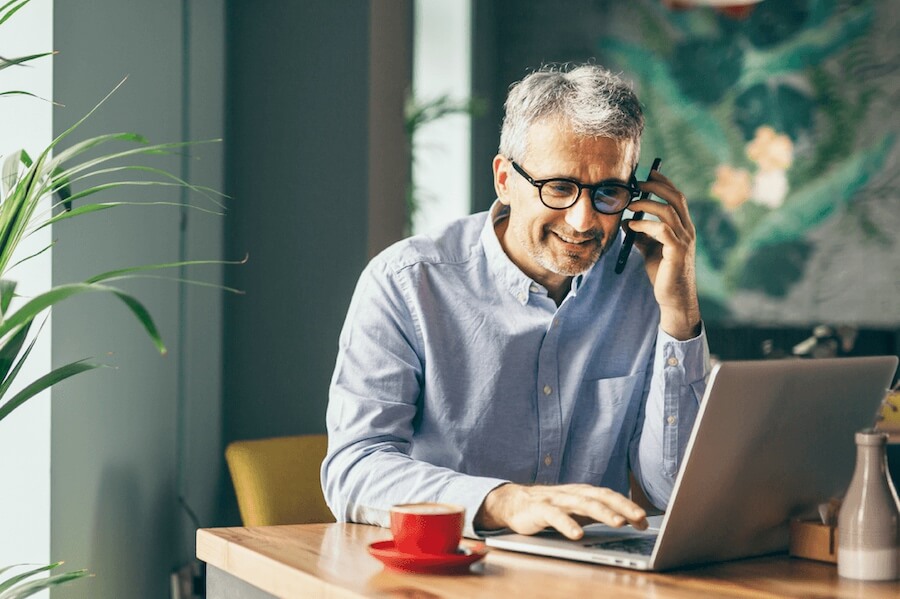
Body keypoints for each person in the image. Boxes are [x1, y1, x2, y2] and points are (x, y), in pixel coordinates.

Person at [322, 63, 710, 540]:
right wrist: (503, 501)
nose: (584, 220)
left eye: (609, 191)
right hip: (446, 573)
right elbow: (353, 469)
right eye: (560, 188)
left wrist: (680, 316)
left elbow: (672, 490)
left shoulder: (647, 285)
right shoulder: (406, 282)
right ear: (505, 179)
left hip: (593, 579)